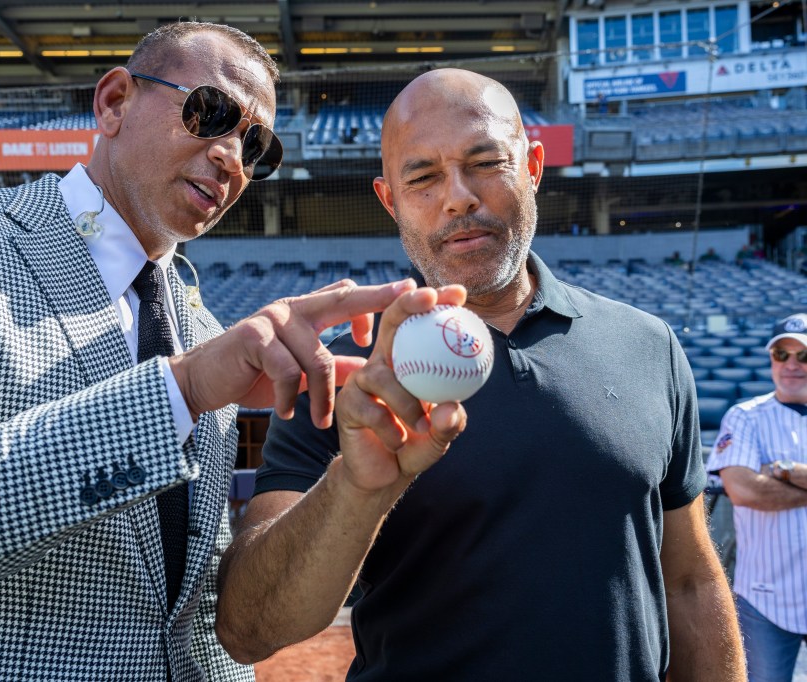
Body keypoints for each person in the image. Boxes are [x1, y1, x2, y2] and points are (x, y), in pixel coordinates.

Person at [0, 22, 413, 680]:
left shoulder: (202, 330)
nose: (232, 157)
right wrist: (179, 393)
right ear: (114, 102)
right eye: (211, 112)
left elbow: (188, 617)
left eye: (254, 145)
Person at [215, 68, 745, 680]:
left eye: (486, 162)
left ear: (533, 166)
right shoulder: (338, 378)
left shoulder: (649, 346)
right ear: (389, 199)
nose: (458, 197)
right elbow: (249, 630)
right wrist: (355, 490)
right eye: (423, 177)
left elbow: (687, 581)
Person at [707, 313, 807, 682]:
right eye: (782, 354)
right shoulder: (745, 416)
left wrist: (782, 469)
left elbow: (756, 484)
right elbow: (743, 490)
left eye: (803, 356)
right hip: (765, 597)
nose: (792, 365)